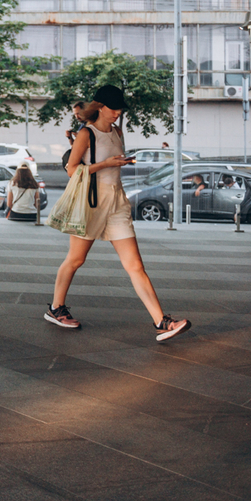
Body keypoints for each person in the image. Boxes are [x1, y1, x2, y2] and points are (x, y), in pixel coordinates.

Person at [47, 86, 191, 342]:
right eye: (113, 108)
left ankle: (161, 321)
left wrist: (120, 162)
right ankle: (56, 307)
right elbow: (71, 170)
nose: (117, 112)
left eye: (119, 108)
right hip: (91, 202)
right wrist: (106, 164)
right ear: (100, 106)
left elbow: (112, 164)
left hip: (117, 202)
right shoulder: (85, 134)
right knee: (76, 259)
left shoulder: (117, 131)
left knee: (135, 265)